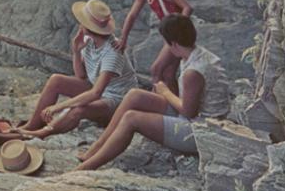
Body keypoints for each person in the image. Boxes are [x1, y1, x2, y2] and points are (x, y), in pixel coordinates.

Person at [77, 14, 230, 170]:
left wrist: (165, 91)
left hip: (201, 131)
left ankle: (86, 168)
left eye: (166, 43)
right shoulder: (194, 54)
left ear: (174, 44)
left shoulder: (194, 71)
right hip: (192, 117)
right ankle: (95, 148)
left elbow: (188, 111)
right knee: (134, 95)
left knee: (131, 119)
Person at [17, 0, 137, 140]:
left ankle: (42, 133)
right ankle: (32, 125)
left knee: (79, 108)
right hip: (98, 90)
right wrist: (76, 51)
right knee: (56, 80)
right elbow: (80, 76)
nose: (80, 23)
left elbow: (95, 93)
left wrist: (59, 107)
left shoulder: (112, 52)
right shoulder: (90, 41)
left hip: (116, 101)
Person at [115, 0, 192, 92]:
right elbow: (132, 16)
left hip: (178, 34)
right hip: (169, 34)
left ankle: (155, 102)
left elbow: (187, 7)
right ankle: (175, 108)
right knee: (168, 74)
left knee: (156, 70)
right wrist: (123, 39)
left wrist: (178, 28)